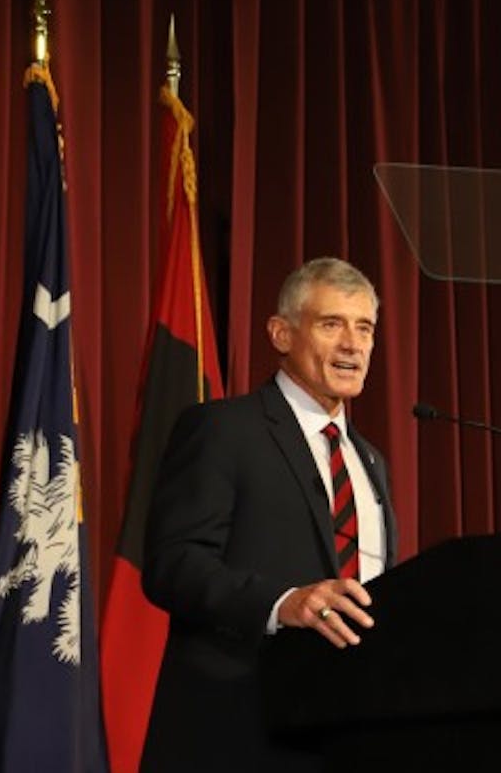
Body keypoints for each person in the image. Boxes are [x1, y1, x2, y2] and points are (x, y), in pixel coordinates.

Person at [138, 256, 397, 771]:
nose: (352, 344)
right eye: (331, 324)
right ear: (281, 334)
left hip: (347, 734)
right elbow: (173, 564)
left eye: (364, 328)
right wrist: (283, 603)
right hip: (238, 734)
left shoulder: (371, 462)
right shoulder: (223, 430)